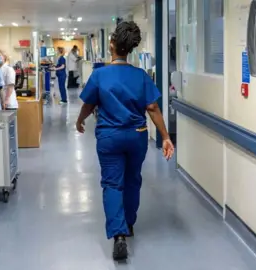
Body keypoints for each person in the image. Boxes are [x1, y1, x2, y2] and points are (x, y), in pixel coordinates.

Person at [76, 21, 175, 261]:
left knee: (112, 183)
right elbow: (152, 107)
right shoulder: (140, 76)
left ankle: (118, 234)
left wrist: (80, 120)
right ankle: (129, 224)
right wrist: (165, 137)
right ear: (130, 48)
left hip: (109, 137)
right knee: (132, 181)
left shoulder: (100, 75)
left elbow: (89, 104)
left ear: (112, 45)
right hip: (136, 135)